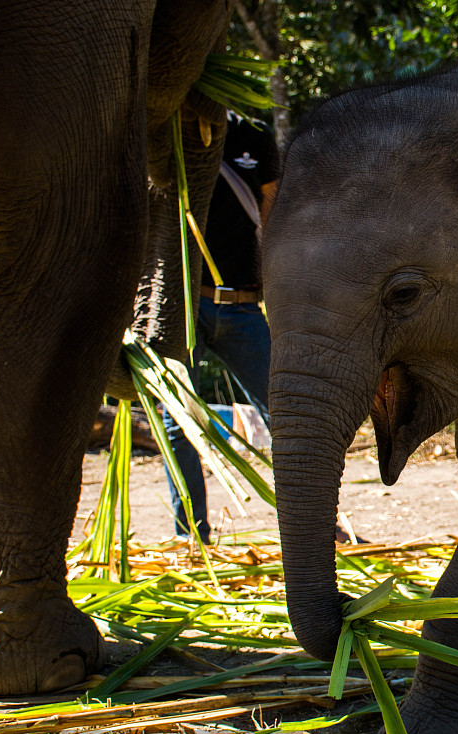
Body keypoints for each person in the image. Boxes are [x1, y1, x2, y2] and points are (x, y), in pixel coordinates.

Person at [163, 114, 277, 542]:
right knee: (178, 420)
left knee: (284, 414)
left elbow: (273, 214)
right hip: (183, 308)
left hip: (243, 306)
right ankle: (192, 536)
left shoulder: (253, 134)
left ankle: (311, 528)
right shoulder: (170, 128)